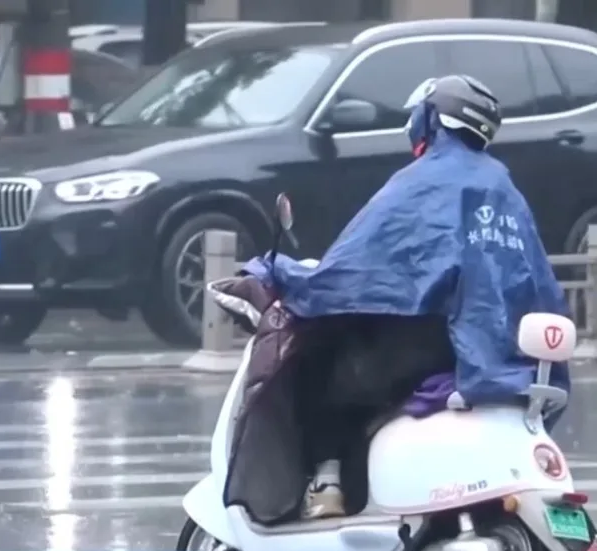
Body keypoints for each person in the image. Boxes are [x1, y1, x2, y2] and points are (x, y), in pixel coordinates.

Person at [221, 74, 570, 526]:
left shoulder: (420, 183)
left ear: (432, 120)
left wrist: (278, 272)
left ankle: (327, 484)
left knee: (321, 374)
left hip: (431, 345)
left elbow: (352, 270)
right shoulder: (505, 189)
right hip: (496, 354)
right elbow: (537, 283)